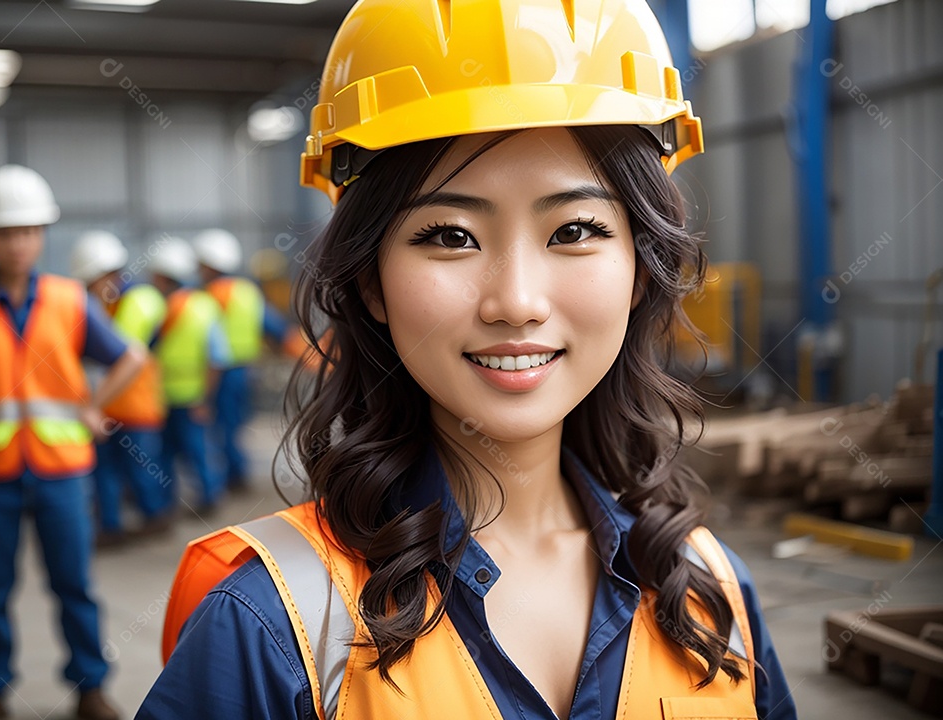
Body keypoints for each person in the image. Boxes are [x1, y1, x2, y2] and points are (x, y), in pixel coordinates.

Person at [137, 0, 797, 718]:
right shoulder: (272, 629)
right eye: (450, 236)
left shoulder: (711, 595)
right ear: (371, 281)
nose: (515, 301)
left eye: (574, 228)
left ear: (640, 268)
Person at [0, 165, 144, 720]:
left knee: (75, 585)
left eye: (27, 231)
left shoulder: (69, 301)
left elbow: (130, 356)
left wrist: (93, 407)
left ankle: (90, 689)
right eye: (5, 232)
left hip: (61, 470)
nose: (17, 243)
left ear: (41, 235)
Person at [70, 230, 172, 546]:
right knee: (106, 472)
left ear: (106, 275)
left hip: (137, 406)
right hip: (110, 406)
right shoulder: (110, 302)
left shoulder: (139, 300)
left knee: (141, 469)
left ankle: (155, 519)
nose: (91, 292)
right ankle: (110, 527)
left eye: (92, 283)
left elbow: (120, 353)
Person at [147, 237, 230, 514]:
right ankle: (206, 498)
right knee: (192, 452)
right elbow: (217, 358)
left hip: (177, 398)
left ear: (162, 276)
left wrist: (205, 400)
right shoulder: (204, 306)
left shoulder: (160, 309)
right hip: (186, 396)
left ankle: (181, 501)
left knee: (174, 453)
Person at [193, 229, 267, 491]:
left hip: (220, 370)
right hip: (246, 368)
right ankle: (238, 473)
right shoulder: (248, 290)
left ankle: (230, 476)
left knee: (220, 426)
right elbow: (269, 324)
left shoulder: (210, 295)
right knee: (235, 424)